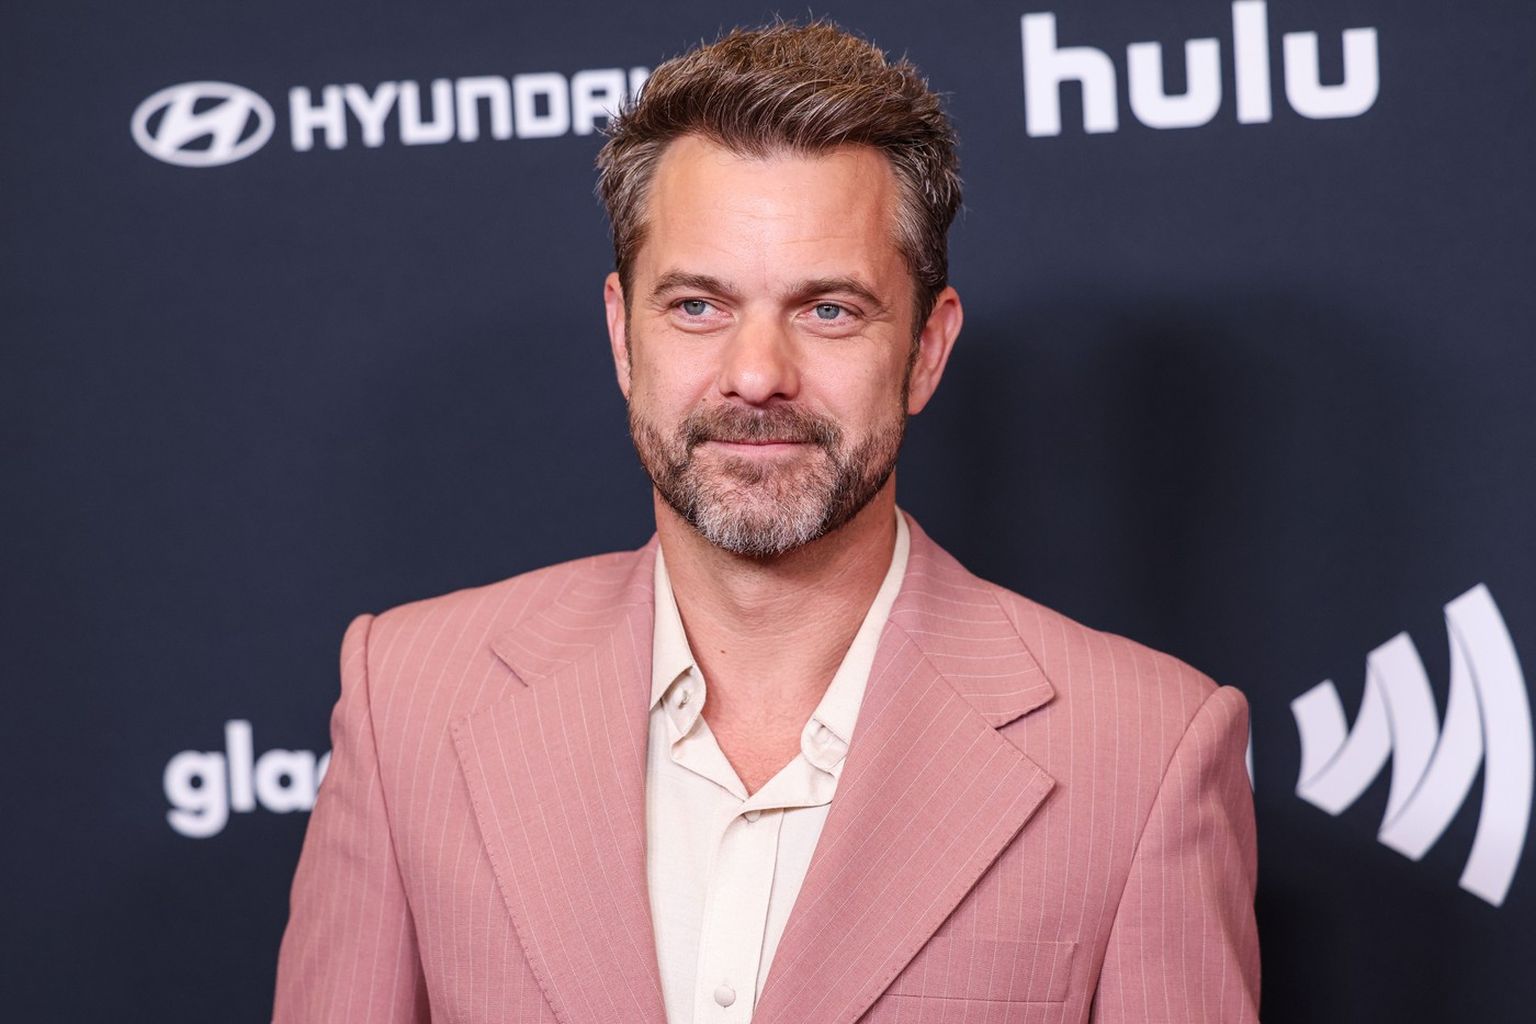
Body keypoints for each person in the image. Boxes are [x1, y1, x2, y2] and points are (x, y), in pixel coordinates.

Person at [273, 20, 1259, 1024]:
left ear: (926, 350)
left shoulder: (1143, 752)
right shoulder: (409, 701)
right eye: (697, 306)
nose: (755, 375)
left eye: (828, 310)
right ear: (623, 336)